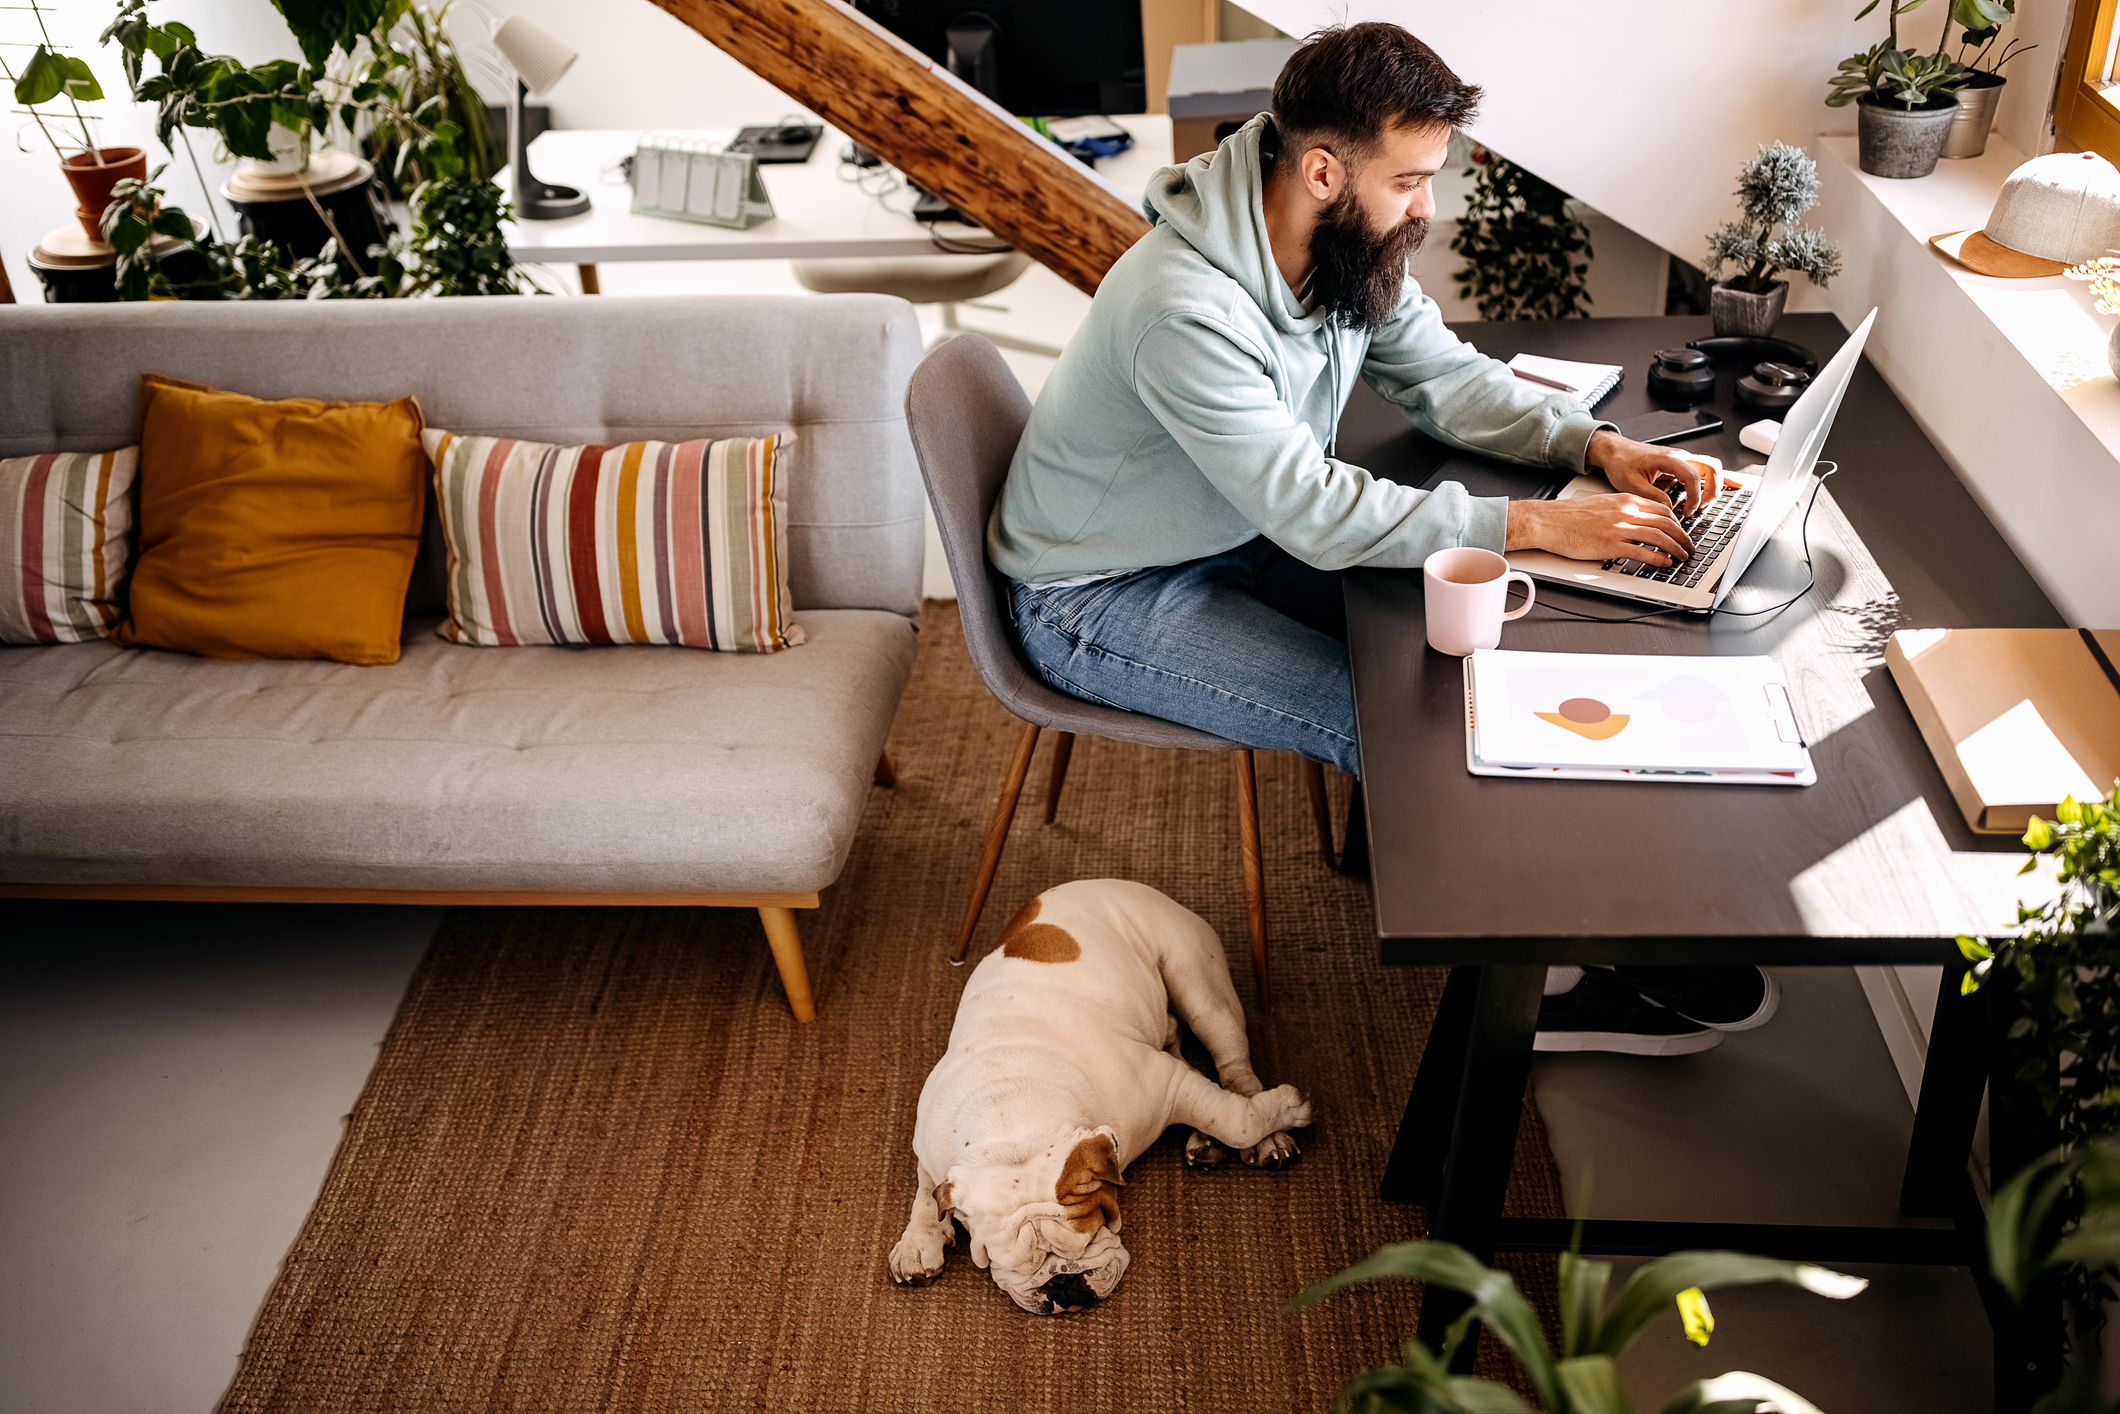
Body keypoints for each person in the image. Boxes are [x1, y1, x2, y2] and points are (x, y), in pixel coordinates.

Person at [987, 22, 1775, 1053]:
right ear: (1321, 170)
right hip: (1096, 594)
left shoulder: (1341, 247)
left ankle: (1583, 904)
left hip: (1222, 529)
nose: (1426, 207)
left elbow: (1443, 378)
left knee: (1456, 649)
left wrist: (1594, 444)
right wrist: (1535, 521)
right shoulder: (1181, 309)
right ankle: (1548, 984)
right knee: (1396, 732)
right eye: (1409, 181)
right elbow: (1312, 509)